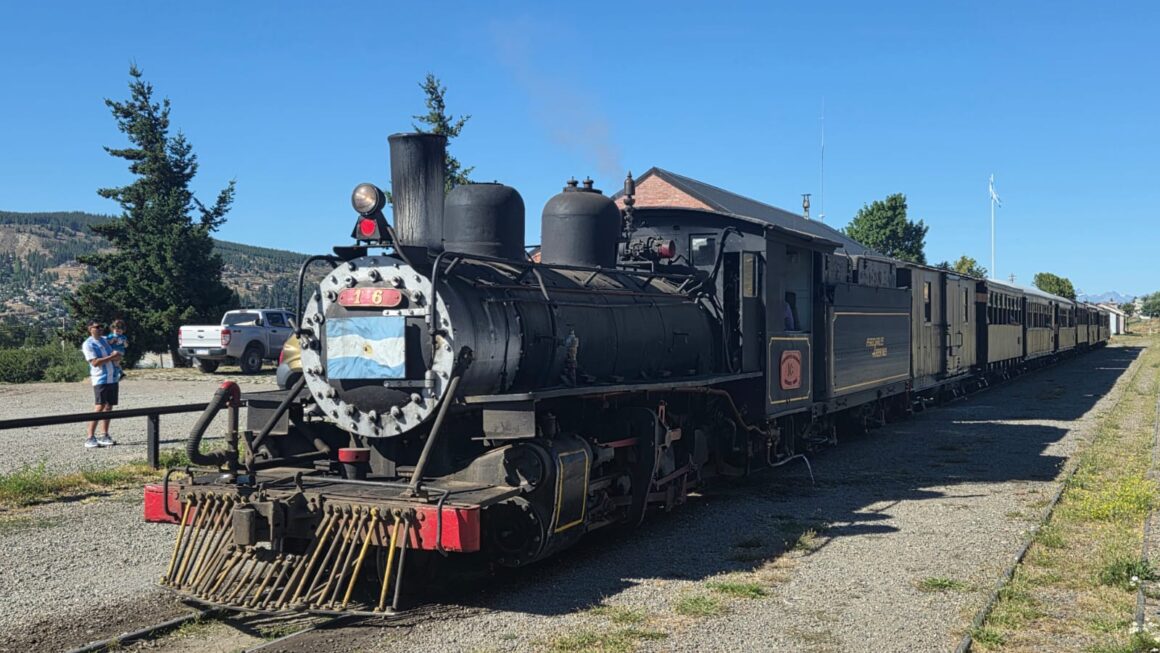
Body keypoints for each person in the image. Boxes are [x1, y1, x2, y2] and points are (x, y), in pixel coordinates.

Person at [81, 321, 120, 448]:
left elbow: (118, 347)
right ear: (90, 329)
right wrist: (111, 357)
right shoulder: (88, 344)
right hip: (100, 379)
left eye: (101, 327)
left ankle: (105, 434)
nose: (100, 329)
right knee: (99, 407)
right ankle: (90, 436)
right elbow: (95, 362)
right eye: (96, 327)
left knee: (109, 407)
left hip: (112, 378)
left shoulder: (105, 340)